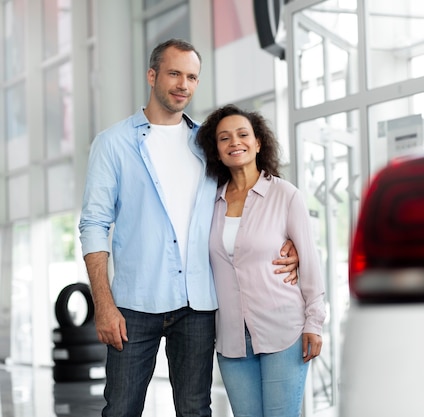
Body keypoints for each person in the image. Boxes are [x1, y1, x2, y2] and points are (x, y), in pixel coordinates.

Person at [78, 39, 299, 417]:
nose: (183, 84)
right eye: (174, 73)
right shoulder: (113, 143)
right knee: (120, 410)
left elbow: (246, 193)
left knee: (196, 410)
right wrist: (104, 304)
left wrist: (287, 239)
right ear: (152, 76)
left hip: (198, 305)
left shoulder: (207, 145)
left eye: (192, 77)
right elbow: (94, 224)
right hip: (134, 305)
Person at [196, 104, 326, 417]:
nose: (234, 142)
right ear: (217, 150)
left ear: (258, 143)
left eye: (243, 134)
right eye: (224, 138)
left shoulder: (286, 195)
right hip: (231, 338)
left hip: (284, 329)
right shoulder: (209, 202)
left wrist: (315, 322)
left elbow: (309, 261)